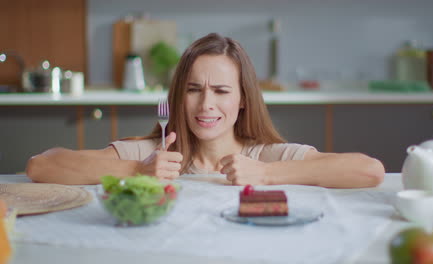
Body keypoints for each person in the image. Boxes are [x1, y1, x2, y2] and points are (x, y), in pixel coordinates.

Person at [26, 33, 385, 187]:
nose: (206, 104)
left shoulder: (267, 155)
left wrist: (267, 175)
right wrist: (136, 170)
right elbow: (42, 165)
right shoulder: (153, 153)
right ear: (178, 95)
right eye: (194, 89)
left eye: (221, 91)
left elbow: (369, 172)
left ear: (243, 99)